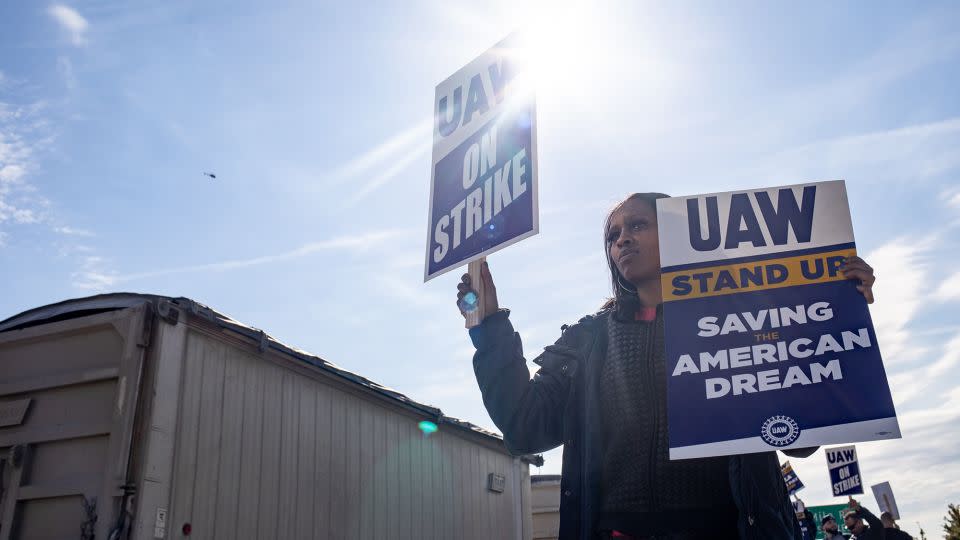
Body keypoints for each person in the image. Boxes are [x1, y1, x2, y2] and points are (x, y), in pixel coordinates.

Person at [456, 192, 879, 539]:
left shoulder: (740, 324)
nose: (622, 239)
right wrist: (490, 329)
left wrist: (833, 303)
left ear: (680, 232)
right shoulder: (587, 340)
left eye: (639, 225)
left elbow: (799, 442)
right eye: (613, 234)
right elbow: (525, 426)